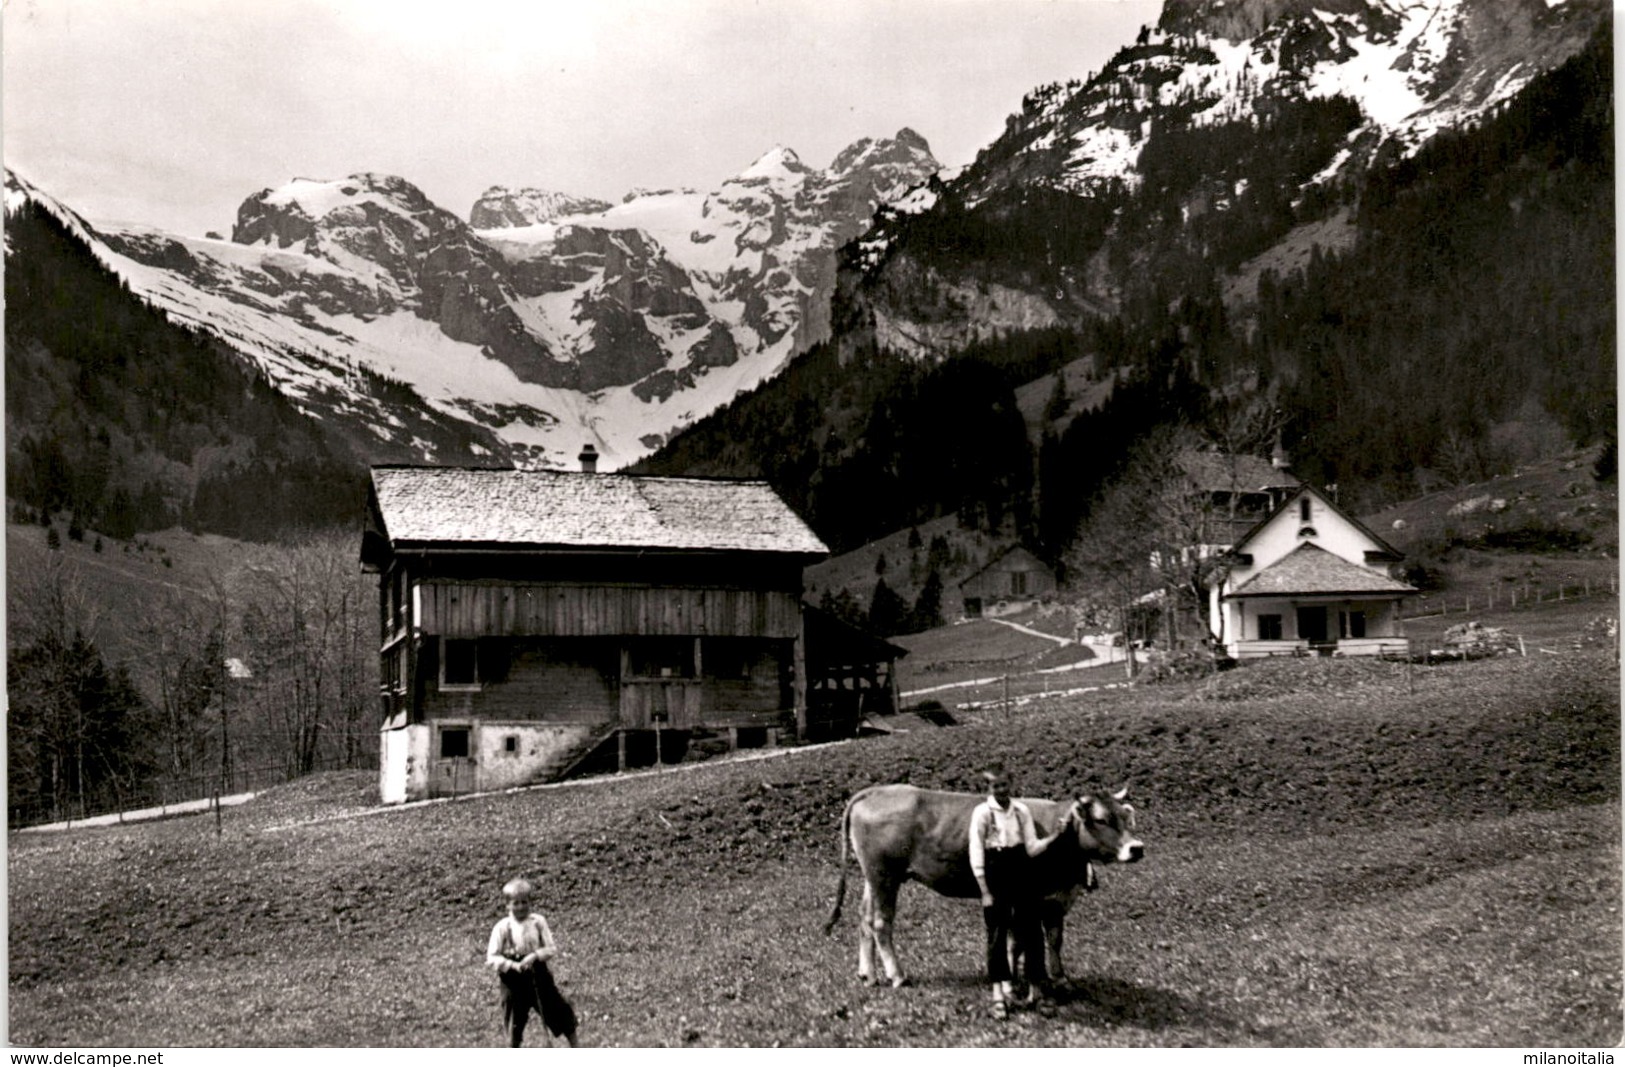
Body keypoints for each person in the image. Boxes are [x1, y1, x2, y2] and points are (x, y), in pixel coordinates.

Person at [968, 769, 1062, 1019]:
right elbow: (976, 851)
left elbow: (1031, 847)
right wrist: (984, 890)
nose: (1001, 790)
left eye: (1004, 785)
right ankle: (998, 995)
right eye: (995, 786)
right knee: (997, 933)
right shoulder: (983, 813)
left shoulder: (1021, 811)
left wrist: (1054, 837)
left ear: (1011, 783)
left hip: (1021, 867)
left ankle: (1036, 991)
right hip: (995, 870)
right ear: (988, 788)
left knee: (1032, 930)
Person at [486, 877, 579, 1047]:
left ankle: (576, 1047)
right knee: (513, 1019)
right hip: (513, 979)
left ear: (531, 902)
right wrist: (513, 965)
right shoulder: (502, 927)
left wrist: (535, 956)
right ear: (507, 905)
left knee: (558, 1009)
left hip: (538, 973)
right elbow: (492, 957)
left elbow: (551, 948)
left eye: (524, 902)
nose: (521, 907)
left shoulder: (537, 922)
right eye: (516, 903)